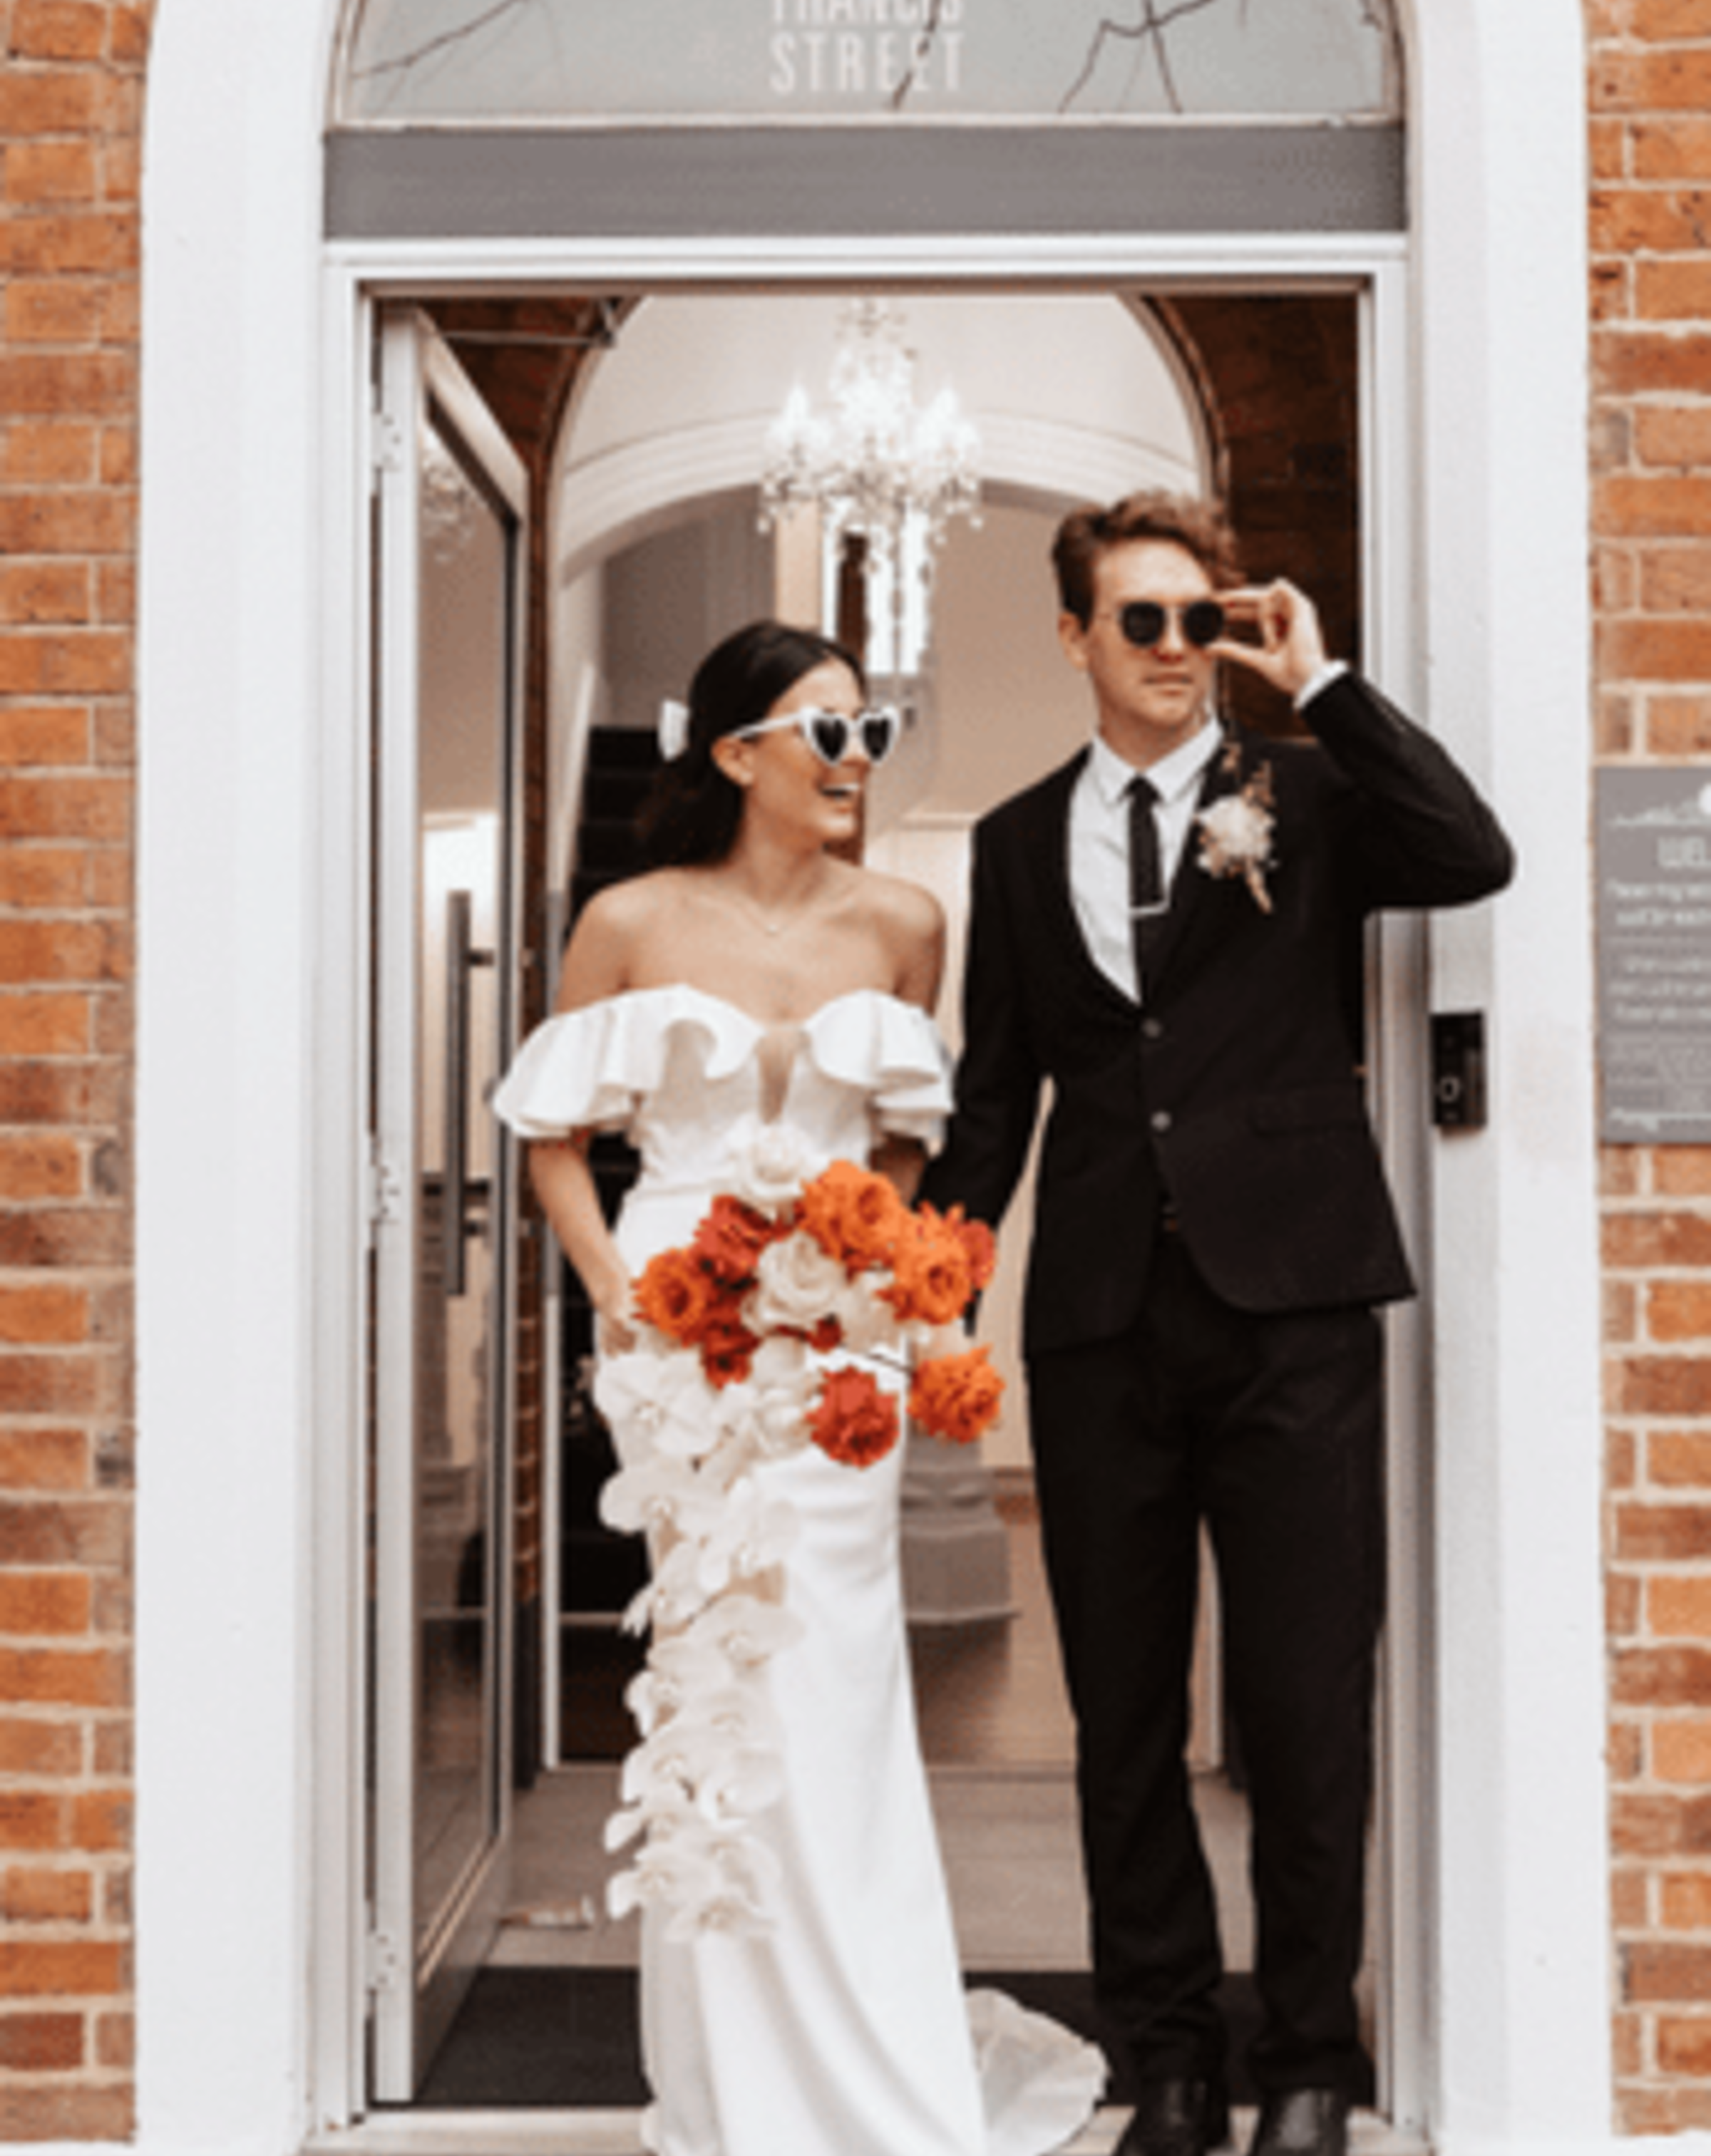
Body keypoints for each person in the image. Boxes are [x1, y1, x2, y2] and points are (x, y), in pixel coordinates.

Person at [919, 494, 1515, 2156]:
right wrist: (929, 1295)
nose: (1179, 650)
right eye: (1146, 622)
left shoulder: (1307, 799)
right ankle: (1168, 2061)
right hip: (1101, 1324)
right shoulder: (1014, 839)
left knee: (1306, 1699)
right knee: (1119, 1711)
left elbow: (1475, 853)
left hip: (1297, 1315)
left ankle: (1309, 2064)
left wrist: (1316, 684)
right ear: (1077, 639)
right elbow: (993, 1100)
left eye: (1202, 619)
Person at [493, 619, 1104, 2156]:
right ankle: (736, 2076)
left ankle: (876, 2059)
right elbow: (553, 1131)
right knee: (713, 1683)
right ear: (735, 753)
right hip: (671, 1331)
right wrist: (616, 1295)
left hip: (836, 1337)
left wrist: (868, 1249)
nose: (853, 761)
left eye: (871, 732)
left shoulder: (906, 920)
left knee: (838, 1679)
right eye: (823, 731)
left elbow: (904, 1135)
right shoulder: (629, 919)